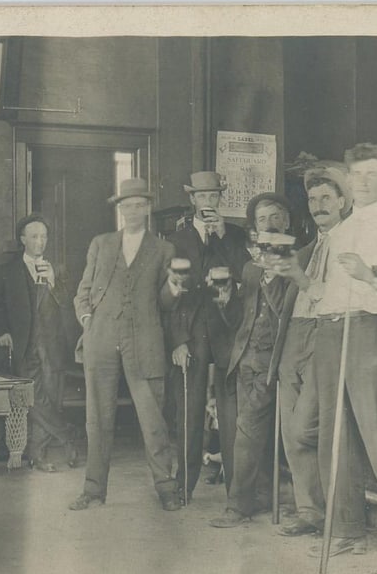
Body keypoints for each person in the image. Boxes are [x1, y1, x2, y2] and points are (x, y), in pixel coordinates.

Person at [307, 143, 377, 559]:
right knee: (334, 435)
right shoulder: (337, 233)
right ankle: (348, 528)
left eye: (372, 174)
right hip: (330, 331)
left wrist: (368, 275)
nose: (363, 181)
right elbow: (322, 290)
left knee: (376, 432)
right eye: (357, 174)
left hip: (368, 330)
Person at [68, 178, 184, 512]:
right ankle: (93, 490)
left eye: (139, 205)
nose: (132, 211)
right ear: (119, 210)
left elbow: (165, 303)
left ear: (147, 209)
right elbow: (83, 292)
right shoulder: (101, 244)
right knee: (97, 418)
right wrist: (88, 321)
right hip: (101, 337)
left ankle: (166, 487)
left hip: (144, 340)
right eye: (126, 205)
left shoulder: (163, 249)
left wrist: (175, 288)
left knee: (153, 419)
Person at [269, 165, 352, 537]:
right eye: (313, 199)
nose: (318, 206)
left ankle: (337, 511)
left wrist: (300, 278)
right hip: (294, 339)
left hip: (325, 337)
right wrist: (272, 274)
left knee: (306, 428)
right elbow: (280, 302)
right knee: (290, 430)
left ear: (343, 202)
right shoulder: (304, 250)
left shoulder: (351, 244)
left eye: (326, 199)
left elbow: (334, 296)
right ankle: (310, 511)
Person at [208, 193, 294, 527]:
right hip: (245, 359)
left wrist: (273, 272)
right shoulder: (249, 266)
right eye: (262, 219)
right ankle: (251, 498)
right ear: (254, 230)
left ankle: (239, 505)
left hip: (276, 359)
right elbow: (240, 319)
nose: (270, 223)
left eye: (275, 216)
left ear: (286, 222)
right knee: (248, 429)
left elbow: (283, 312)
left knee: (250, 431)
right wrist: (226, 300)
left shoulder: (296, 261)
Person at [166, 171, 250, 500]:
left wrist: (224, 236)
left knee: (231, 414)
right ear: (192, 201)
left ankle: (237, 491)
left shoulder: (235, 235)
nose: (208, 202)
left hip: (228, 332)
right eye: (202, 197)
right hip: (192, 334)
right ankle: (184, 485)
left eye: (214, 196)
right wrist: (178, 340)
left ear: (220, 199)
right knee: (189, 410)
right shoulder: (177, 240)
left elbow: (245, 274)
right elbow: (172, 299)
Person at [0, 214, 78, 472]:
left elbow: (69, 303)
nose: (40, 242)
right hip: (25, 344)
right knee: (34, 398)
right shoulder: (8, 271)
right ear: (22, 240)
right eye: (34, 236)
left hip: (52, 345)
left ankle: (38, 455)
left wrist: (53, 281)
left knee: (50, 398)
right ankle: (68, 438)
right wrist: (2, 330)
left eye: (43, 237)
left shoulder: (58, 269)